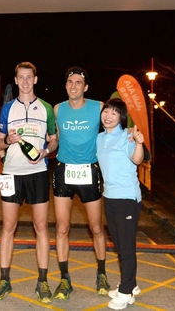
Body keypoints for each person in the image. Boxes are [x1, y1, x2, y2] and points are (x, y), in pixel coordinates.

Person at [0, 62, 58, 303]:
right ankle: (4, 280)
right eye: (21, 77)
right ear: (16, 80)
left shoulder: (46, 108)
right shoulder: (7, 109)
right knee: (8, 227)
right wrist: (8, 140)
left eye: (29, 77)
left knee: (41, 227)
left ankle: (43, 281)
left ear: (35, 80)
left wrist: (46, 151)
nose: (25, 81)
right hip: (11, 173)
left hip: (38, 172)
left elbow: (54, 139)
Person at [52, 67, 110, 300]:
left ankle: (102, 274)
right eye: (70, 82)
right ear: (65, 85)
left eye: (78, 82)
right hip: (63, 170)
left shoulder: (98, 107)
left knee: (96, 227)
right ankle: (64, 279)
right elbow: (55, 139)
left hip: (89, 171)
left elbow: (113, 128)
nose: (73, 86)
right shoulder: (58, 109)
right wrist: (43, 149)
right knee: (61, 228)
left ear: (86, 87)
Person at [96, 98, 145, 310]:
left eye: (114, 113)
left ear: (121, 117)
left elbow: (137, 159)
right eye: (106, 111)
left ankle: (126, 292)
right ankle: (131, 284)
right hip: (109, 196)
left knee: (125, 245)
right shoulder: (100, 138)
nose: (108, 116)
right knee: (119, 244)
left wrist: (139, 142)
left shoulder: (126, 136)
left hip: (127, 198)